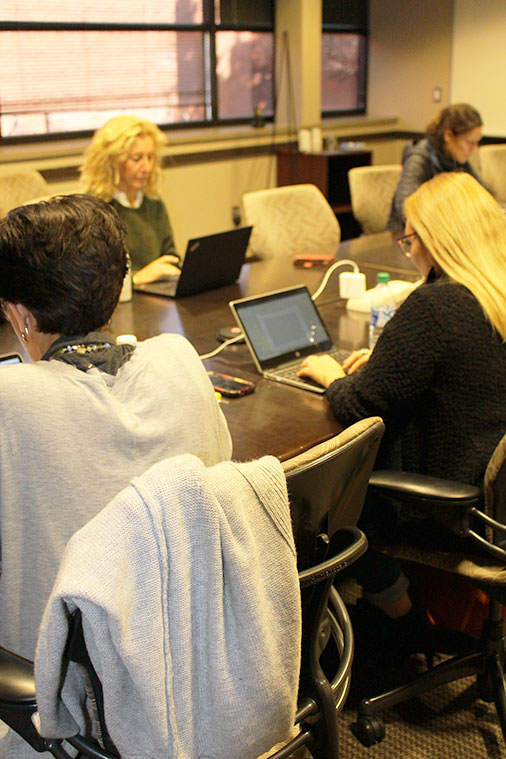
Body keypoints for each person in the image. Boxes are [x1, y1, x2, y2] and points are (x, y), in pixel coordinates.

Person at [0, 194, 232, 665]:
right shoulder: (179, 360)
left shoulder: (11, 398)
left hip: (61, 688)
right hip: (190, 651)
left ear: (22, 318)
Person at [298, 172, 506, 660]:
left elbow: (358, 404)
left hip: (453, 509)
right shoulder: (492, 293)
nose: (408, 250)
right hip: (497, 503)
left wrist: (332, 376)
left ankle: (402, 616)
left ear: (436, 240)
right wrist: (390, 359)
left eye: (410, 239)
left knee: (321, 500)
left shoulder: (436, 306)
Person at [81, 114, 181, 284]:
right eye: (137, 159)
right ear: (112, 161)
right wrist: (136, 278)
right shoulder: (96, 209)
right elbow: (97, 275)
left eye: (150, 157)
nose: (147, 167)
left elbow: (170, 254)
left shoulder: (153, 203)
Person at [387, 103, 485, 231]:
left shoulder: (456, 157)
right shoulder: (419, 156)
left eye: (477, 142)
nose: (475, 149)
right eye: (470, 142)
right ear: (448, 136)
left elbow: (482, 195)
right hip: (407, 237)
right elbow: (406, 208)